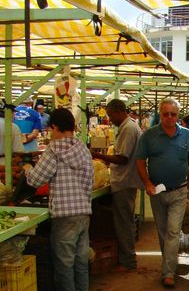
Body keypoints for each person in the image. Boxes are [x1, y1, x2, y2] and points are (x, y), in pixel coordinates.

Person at [24, 108, 93, 291]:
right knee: (81, 264)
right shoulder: (83, 149)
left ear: (55, 127)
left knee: (64, 267)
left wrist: (26, 169)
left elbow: (36, 179)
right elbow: (90, 181)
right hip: (83, 212)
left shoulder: (53, 150)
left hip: (64, 215)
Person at [135, 98, 189, 289]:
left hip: (179, 191)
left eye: (173, 114)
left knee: (172, 231)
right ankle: (169, 263)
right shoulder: (149, 136)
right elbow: (140, 160)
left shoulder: (187, 135)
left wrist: (188, 182)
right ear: (160, 114)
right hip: (157, 192)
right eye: (166, 114)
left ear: (178, 115)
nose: (170, 117)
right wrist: (147, 183)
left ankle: (168, 272)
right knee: (163, 232)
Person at [91, 99, 143, 272]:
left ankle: (128, 261)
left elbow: (122, 158)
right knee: (124, 221)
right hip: (125, 180)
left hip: (125, 181)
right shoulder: (129, 127)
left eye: (111, 115)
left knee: (124, 223)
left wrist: (97, 156)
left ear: (119, 112)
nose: (110, 119)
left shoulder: (129, 128)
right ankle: (127, 258)